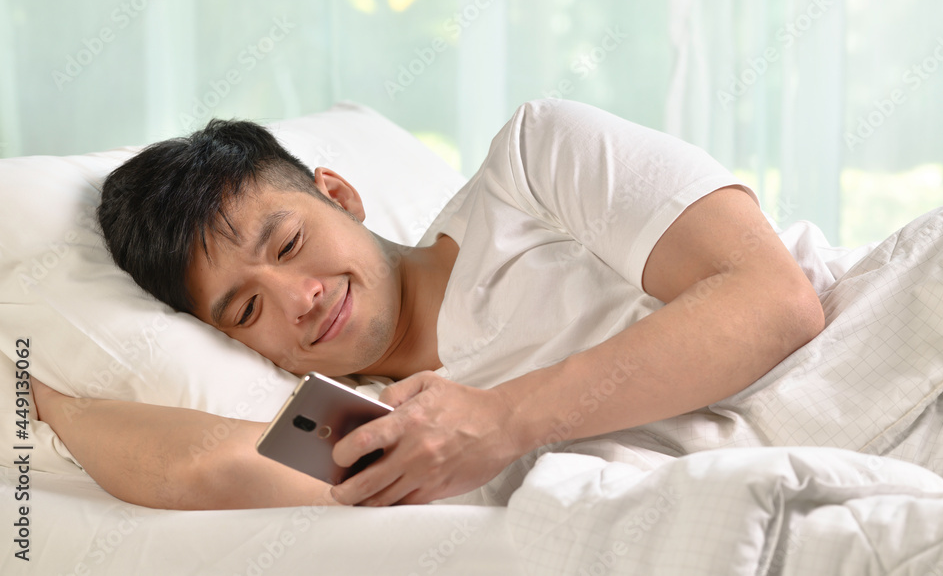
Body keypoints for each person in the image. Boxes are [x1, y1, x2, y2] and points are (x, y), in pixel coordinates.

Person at [31, 99, 825, 510]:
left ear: (338, 194)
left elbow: (774, 298)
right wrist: (46, 399)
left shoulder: (534, 164)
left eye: (287, 244)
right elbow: (205, 466)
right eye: (244, 311)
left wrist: (504, 419)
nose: (298, 298)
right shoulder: (374, 423)